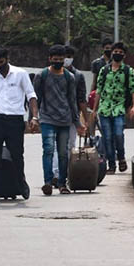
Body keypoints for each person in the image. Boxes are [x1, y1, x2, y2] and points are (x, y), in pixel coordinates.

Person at [0, 46, 38, 207]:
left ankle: (21, 182)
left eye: (1, 62)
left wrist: (34, 117)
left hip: (15, 120)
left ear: (7, 59)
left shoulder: (20, 74)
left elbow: (31, 95)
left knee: (17, 156)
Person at [33, 45, 87, 195]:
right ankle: (48, 182)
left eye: (60, 59)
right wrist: (34, 118)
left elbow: (72, 101)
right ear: (50, 59)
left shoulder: (69, 77)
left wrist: (78, 123)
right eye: (55, 59)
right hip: (47, 119)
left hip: (65, 120)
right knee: (48, 150)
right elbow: (36, 99)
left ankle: (62, 183)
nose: (58, 62)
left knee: (64, 153)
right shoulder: (41, 76)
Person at [92, 42, 134, 173]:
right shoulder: (104, 70)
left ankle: (121, 157)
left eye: (120, 52)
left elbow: (133, 89)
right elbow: (98, 90)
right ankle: (111, 164)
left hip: (119, 108)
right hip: (104, 108)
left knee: (118, 134)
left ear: (124, 55)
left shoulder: (128, 71)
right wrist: (94, 110)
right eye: (115, 51)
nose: (117, 54)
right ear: (111, 53)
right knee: (107, 137)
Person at [50, 45, 89, 186]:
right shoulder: (49, 74)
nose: (66, 60)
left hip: (71, 116)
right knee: (55, 146)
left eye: (69, 57)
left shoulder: (77, 76)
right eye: (64, 56)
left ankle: (64, 173)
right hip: (53, 115)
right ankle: (56, 174)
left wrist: (85, 118)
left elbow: (81, 99)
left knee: (69, 146)